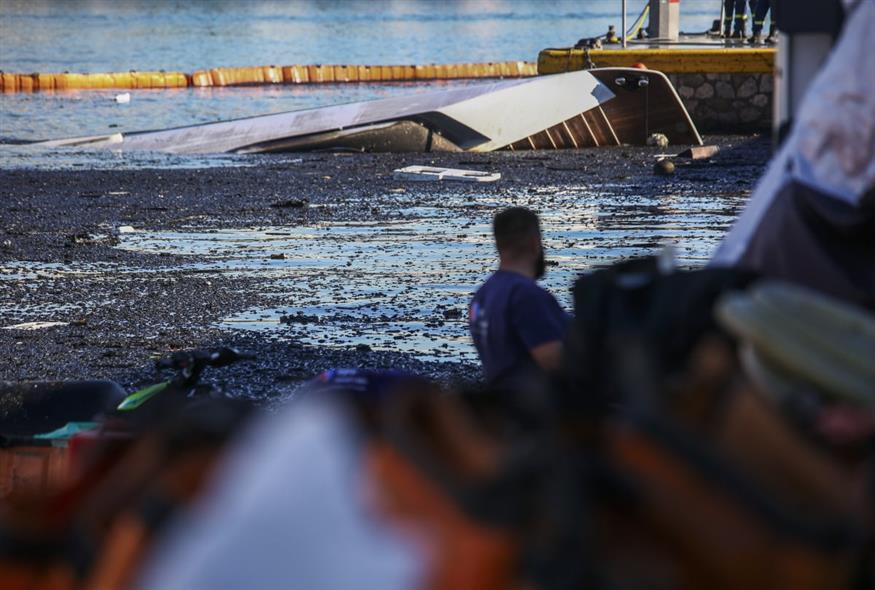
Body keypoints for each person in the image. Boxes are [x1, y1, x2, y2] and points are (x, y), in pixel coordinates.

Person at [469, 207, 570, 390]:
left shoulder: (482, 295)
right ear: (534, 243)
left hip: (500, 407)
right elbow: (554, 361)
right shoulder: (526, 296)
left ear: (499, 245)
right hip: (532, 411)